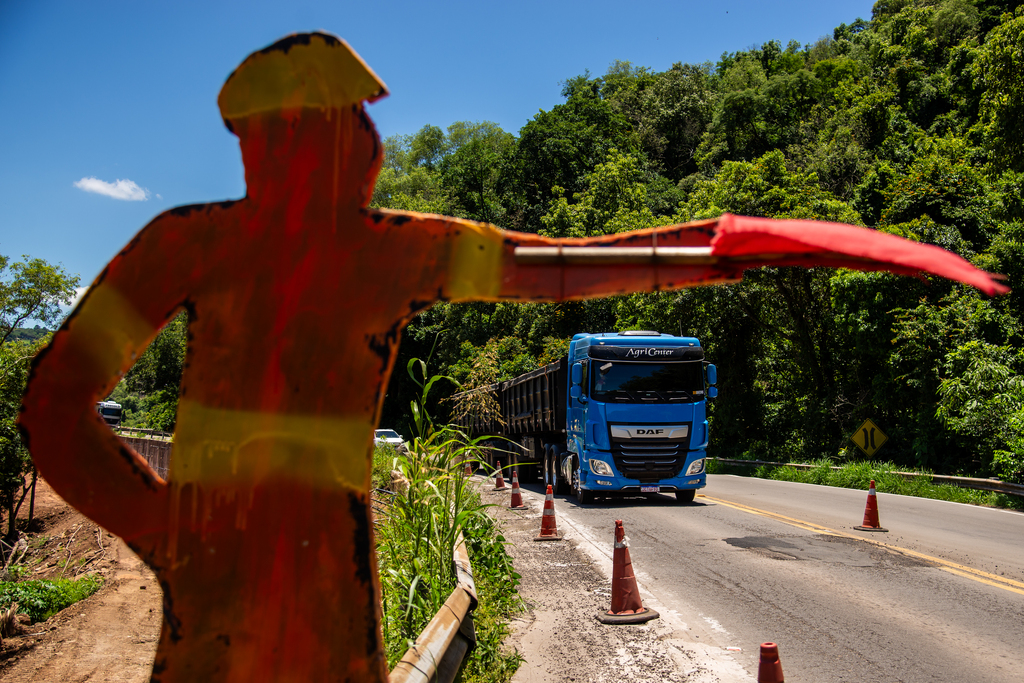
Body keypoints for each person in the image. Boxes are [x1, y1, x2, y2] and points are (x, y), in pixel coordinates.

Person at [18, 32, 1008, 681]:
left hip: (307, 586)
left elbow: (563, 267)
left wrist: (723, 244)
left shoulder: (221, 245)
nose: (369, 140)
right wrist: (163, 527)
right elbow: (561, 274)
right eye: (348, 119)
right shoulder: (254, 247)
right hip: (269, 585)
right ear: (291, 136)